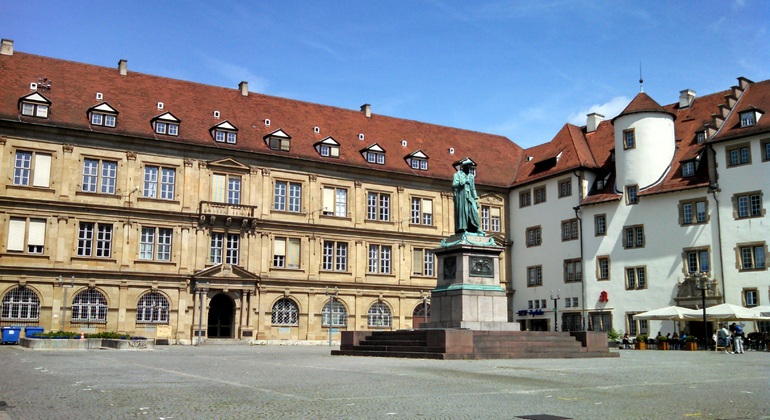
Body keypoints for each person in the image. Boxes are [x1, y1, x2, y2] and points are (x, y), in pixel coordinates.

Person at [452, 160, 483, 234]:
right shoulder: (457, 174)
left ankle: (476, 228)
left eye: (470, 166)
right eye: (467, 166)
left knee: (474, 211)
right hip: (461, 196)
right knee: (464, 211)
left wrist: (475, 198)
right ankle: (462, 228)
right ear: (464, 167)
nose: (469, 168)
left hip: (470, 196)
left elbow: (473, 188)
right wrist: (464, 181)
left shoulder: (471, 176)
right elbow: (454, 184)